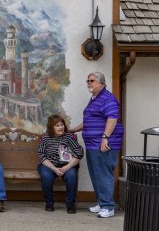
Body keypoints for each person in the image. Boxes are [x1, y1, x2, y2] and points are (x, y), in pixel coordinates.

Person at [69, 72, 124, 218]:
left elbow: (112, 119)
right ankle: (102, 202)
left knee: (103, 174)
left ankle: (108, 207)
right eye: (88, 80)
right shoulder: (94, 99)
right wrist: (75, 129)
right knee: (96, 174)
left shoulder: (108, 98)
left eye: (92, 81)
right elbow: (90, 120)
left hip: (103, 144)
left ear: (101, 83)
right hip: (92, 144)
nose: (89, 83)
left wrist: (105, 138)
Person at [38, 115, 84, 214]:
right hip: (50, 165)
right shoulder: (45, 138)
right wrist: (55, 169)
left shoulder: (69, 137)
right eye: (57, 125)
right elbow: (42, 156)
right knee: (46, 176)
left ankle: (70, 204)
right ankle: (49, 203)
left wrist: (66, 167)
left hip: (67, 165)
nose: (60, 127)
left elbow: (79, 153)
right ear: (51, 127)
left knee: (71, 175)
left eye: (61, 125)